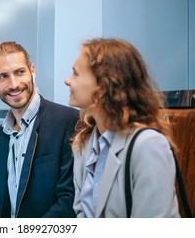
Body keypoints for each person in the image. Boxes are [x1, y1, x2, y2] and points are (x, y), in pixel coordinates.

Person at [64, 38, 180, 218]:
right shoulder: (83, 145)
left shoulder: (148, 145)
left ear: (104, 85)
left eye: (75, 74)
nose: (67, 81)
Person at [0, 42, 79, 218]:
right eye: (2, 77)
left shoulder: (68, 121)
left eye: (20, 72)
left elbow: (68, 200)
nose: (14, 84)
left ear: (32, 71)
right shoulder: (0, 136)